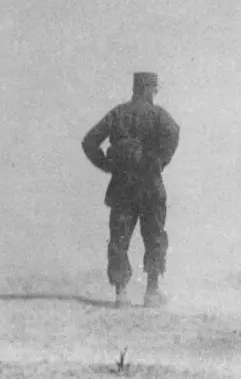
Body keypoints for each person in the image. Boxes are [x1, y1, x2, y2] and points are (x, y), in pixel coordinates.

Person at [82, 72, 180, 308]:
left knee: (119, 237)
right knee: (154, 235)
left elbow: (89, 141)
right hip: (150, 183)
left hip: (122, 184)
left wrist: (106, 164)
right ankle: (152, 291)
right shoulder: (159, 115)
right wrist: (159, 161)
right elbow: (174, 132)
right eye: (154, 89)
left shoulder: (118, 113)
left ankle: (121, 294)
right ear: (150, 89)